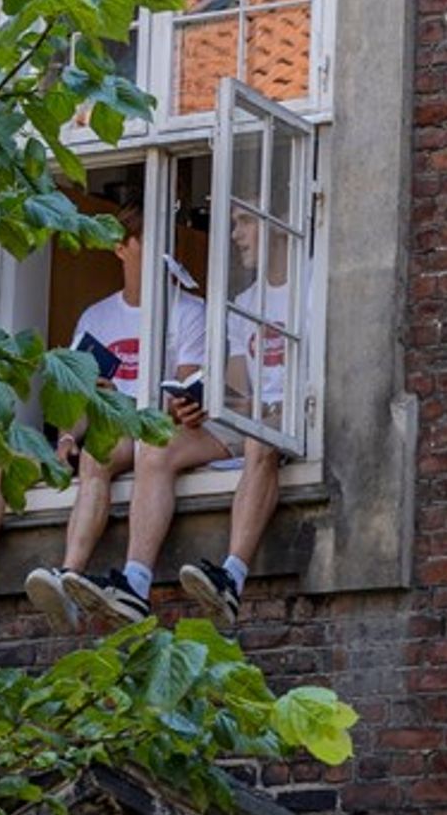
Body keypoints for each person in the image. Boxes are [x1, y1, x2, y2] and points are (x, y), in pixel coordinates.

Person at [0, 194, 206, 643]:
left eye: (170, 241)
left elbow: (184, 394)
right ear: (122, 247)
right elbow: (74, 401)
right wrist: (65, 438)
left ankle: (69, 576)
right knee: (2, 462)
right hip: (98, 430)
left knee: (96, 456)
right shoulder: (96, 317)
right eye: (151, 240)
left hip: (144, 434)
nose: (165, 252)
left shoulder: (188, 313)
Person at [94, 213, 296, 632]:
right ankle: (135, 584)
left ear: (278, 222)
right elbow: (241, 391)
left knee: (262, 437)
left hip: (297, 422)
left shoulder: (314, 286)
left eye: (245, 221)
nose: (235, 234)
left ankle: (230, 579)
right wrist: (204, 405)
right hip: (256, 417)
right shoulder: (245, 304)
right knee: (157, 444)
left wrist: (268, 412)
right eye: (235, 221)